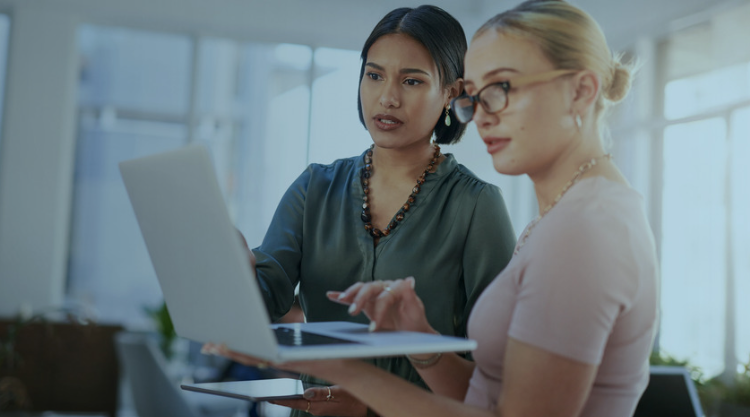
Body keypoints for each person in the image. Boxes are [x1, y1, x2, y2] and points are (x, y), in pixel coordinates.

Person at [207, 1, 659, 417]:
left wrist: (357, 385)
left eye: (501, 88)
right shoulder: (566, 220)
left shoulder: (578, 227)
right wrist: (420, 342)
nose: (481, 114)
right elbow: (488, 389)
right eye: (478, 95)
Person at [232, 5, 517, 417]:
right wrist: (234, 272)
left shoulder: (476, 205)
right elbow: (265, 299)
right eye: (374, 74)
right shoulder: (314, 188)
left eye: (412, 80)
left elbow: (497, 372)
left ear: (452, 94)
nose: (387, 97)